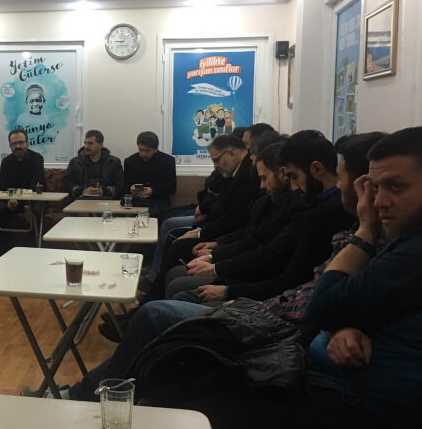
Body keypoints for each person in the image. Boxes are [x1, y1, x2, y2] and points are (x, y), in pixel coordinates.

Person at [145, 127, 422, 429]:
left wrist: (231, 286)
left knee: (169, 338)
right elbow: (337, 296)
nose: (377, 202)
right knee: (177, 373)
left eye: (396, 187)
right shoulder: (390, 237)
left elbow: (316, 298)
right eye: (373, 188)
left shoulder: (395, 243)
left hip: (344, 399)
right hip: (314, 368)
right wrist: (343, 323)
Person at [69, 132, 379, 403]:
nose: (272, 184)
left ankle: (102, 388)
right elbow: (258, 239)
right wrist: (218, 257)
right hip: (266, 303)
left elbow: (287, 271)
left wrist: (229, 285)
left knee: (165, 294)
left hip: (269, 314)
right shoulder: (328, 215)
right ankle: (123, 375)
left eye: (285, 176)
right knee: (174, 268)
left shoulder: (319, 215)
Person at [164, 142, 308, 302]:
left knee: (175, 285)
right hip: (244, 269)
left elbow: (266, 255)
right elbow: (250, 235)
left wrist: (216, 266)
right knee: (174, 259)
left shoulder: (295, 208)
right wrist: (215, 250)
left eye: (263, 178)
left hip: (255, 285)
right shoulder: (273, 199)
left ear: (282, 174)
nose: (261, 185)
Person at [0, 129, 45, 231]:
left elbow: (37, 184)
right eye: (14, 143)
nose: (18, 146)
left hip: (33, 199)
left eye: (21, 142)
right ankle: (3, 241)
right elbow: (2, 186)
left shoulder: (37, 158)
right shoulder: (6, 162)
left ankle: (34, 241)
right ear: (10, 146)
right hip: (13, 199)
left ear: (27, 144)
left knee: (37, 210)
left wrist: (27, 204)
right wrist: (9, 199)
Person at [122, 131, 176, 220]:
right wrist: (131, 189)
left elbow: (171, 188)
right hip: (135, 200)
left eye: (147, 151)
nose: (143, 154)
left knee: (154, 212)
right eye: (141, 150)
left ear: (155, 149)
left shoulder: (168, 161)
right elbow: (124, 187)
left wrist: (152, 190)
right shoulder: (130, 161)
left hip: (158, 200)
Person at [63, 130, 124, 199]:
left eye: (90, 143)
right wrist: (82, 191)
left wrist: (103, 191)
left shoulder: (113, 162)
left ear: (100, 145)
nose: (86, 147)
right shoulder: (75, 162)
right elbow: (67, 183)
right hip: (81, 199)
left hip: (106, 200)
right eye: (85, 143)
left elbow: (120, 185)